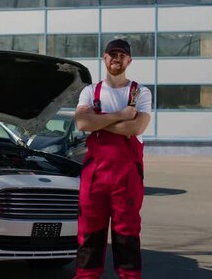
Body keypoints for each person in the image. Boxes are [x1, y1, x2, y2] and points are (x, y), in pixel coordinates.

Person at [73, 39, 152, 279]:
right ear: (104, 57)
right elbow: (82, 123)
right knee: (89, 233)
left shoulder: (140, 92)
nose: (116, 58)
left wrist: (100, 120)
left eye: (122, 55)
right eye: (112, 54)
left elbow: (136, 128)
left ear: (129, 60)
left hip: (127, 177)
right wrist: (120, 116)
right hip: (94, 176)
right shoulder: (89, 91)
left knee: (126, 234)